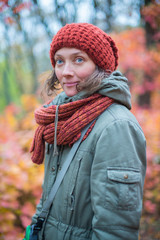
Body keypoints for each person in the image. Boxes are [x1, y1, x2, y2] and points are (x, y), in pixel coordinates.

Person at [29, 23, 146, 240]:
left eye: (79, 59)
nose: (66, 72)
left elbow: (115, 230)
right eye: (60, 61)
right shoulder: (60, 118)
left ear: (100, 66)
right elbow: (48, 198)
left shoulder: (116, 126)